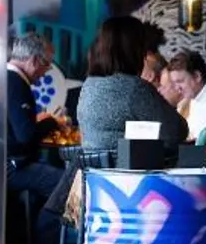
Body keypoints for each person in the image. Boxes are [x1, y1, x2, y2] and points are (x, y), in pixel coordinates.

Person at [77, 16, 189, 150]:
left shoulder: (88, 86)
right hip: (128, 163)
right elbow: (177, 131)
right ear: (135, 50)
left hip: (91, 163)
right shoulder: (134, 88)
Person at [6, 33, 63, 201]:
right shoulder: (16, 83)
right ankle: (45, 220)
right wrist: (52, 122)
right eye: (47, 65)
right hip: (12, 166)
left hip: (1, 162)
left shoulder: (5, 78)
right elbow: (26, 135)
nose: (44, 73)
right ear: (34, 60)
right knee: (65, 183)